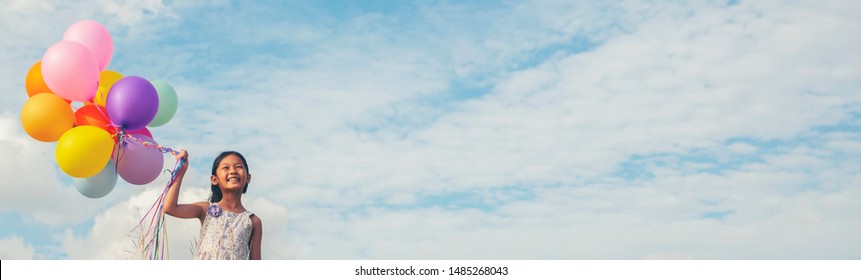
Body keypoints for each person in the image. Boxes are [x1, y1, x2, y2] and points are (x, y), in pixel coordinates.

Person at [163, 150, 263, 260]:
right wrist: (180, 172)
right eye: (226, 168)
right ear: (214, 179)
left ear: (248, 178)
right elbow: (170, 208)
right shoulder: (206, 209)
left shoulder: (253, 221)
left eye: (238, 167)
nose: (233, 171)